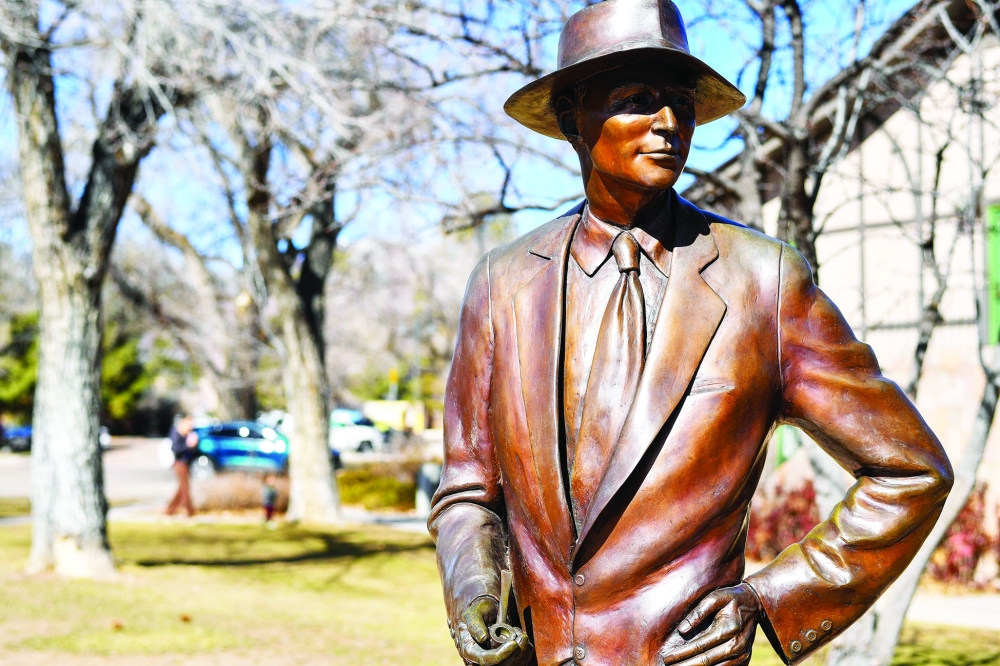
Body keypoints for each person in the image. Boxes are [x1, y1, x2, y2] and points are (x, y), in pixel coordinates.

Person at [429, 2, 954, 666]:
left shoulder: (761, 283)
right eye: (639, 100)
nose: (671, 123)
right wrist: (475, 590)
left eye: (681, 103)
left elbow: (910, 469)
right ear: (572, 121)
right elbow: (467, 487)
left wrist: (772, 597)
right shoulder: (503, 284)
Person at [166, 414, 199, 517]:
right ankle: (190, 511)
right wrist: (189, 446)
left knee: (181, 488)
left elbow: (192, 451)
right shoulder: (176, 432)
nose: (191, 426)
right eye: (189, 423)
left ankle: (169, 510)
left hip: (186, 462)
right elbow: (176, 449)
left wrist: (194, 445)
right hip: (179, 463)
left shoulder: (188, 434)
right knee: (185, 488)